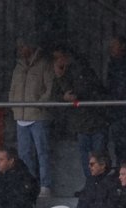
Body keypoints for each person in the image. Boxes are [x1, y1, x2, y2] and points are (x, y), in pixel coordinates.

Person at [52, 45, 108, 181]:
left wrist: (61, 79)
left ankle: (100, 183)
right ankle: (91, 183)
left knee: (98, 156)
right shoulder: (63, 74)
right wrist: (63, 93)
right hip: (80, 123)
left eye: (58, 57)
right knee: (85, 157)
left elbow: (77, 93)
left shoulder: (80, 70)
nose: (57, 61)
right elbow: (55, 95)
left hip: (94, 120)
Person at [9, 36, 54, 197]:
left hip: (38, 115)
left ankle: (45, 185)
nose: (20, 50)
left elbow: (50, 89)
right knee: (24, 154)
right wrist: (14, 106)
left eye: (22, 47)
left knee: (42, 152)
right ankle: (28, 184)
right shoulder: (18, 66)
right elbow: (13, 89)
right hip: (21, 116)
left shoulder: (44, 64)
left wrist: (39, 104)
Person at [105, 35, 126, 166]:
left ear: (123, 46)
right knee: (119, 145)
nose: (111, 49)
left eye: (114, 46)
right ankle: (121, 171)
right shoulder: (112, 64)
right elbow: (110, 85)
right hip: (117, 109)